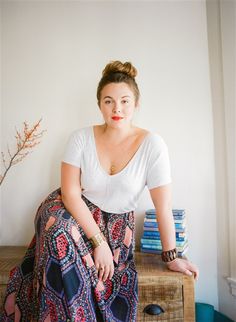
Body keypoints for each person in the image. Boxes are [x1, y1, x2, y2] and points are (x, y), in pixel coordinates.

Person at [0, 60, 199, 322]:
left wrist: (171, 256)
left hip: (117, 226)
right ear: (99, 105)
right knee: (57, 229)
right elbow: (70, 194)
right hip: (73, 210)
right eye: (108, 101)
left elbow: (162, 205)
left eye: (125, 101)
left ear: (136, 104)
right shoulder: (80, 137)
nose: (117, 108)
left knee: (91, 270)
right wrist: (98, 242)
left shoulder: (153, 145)